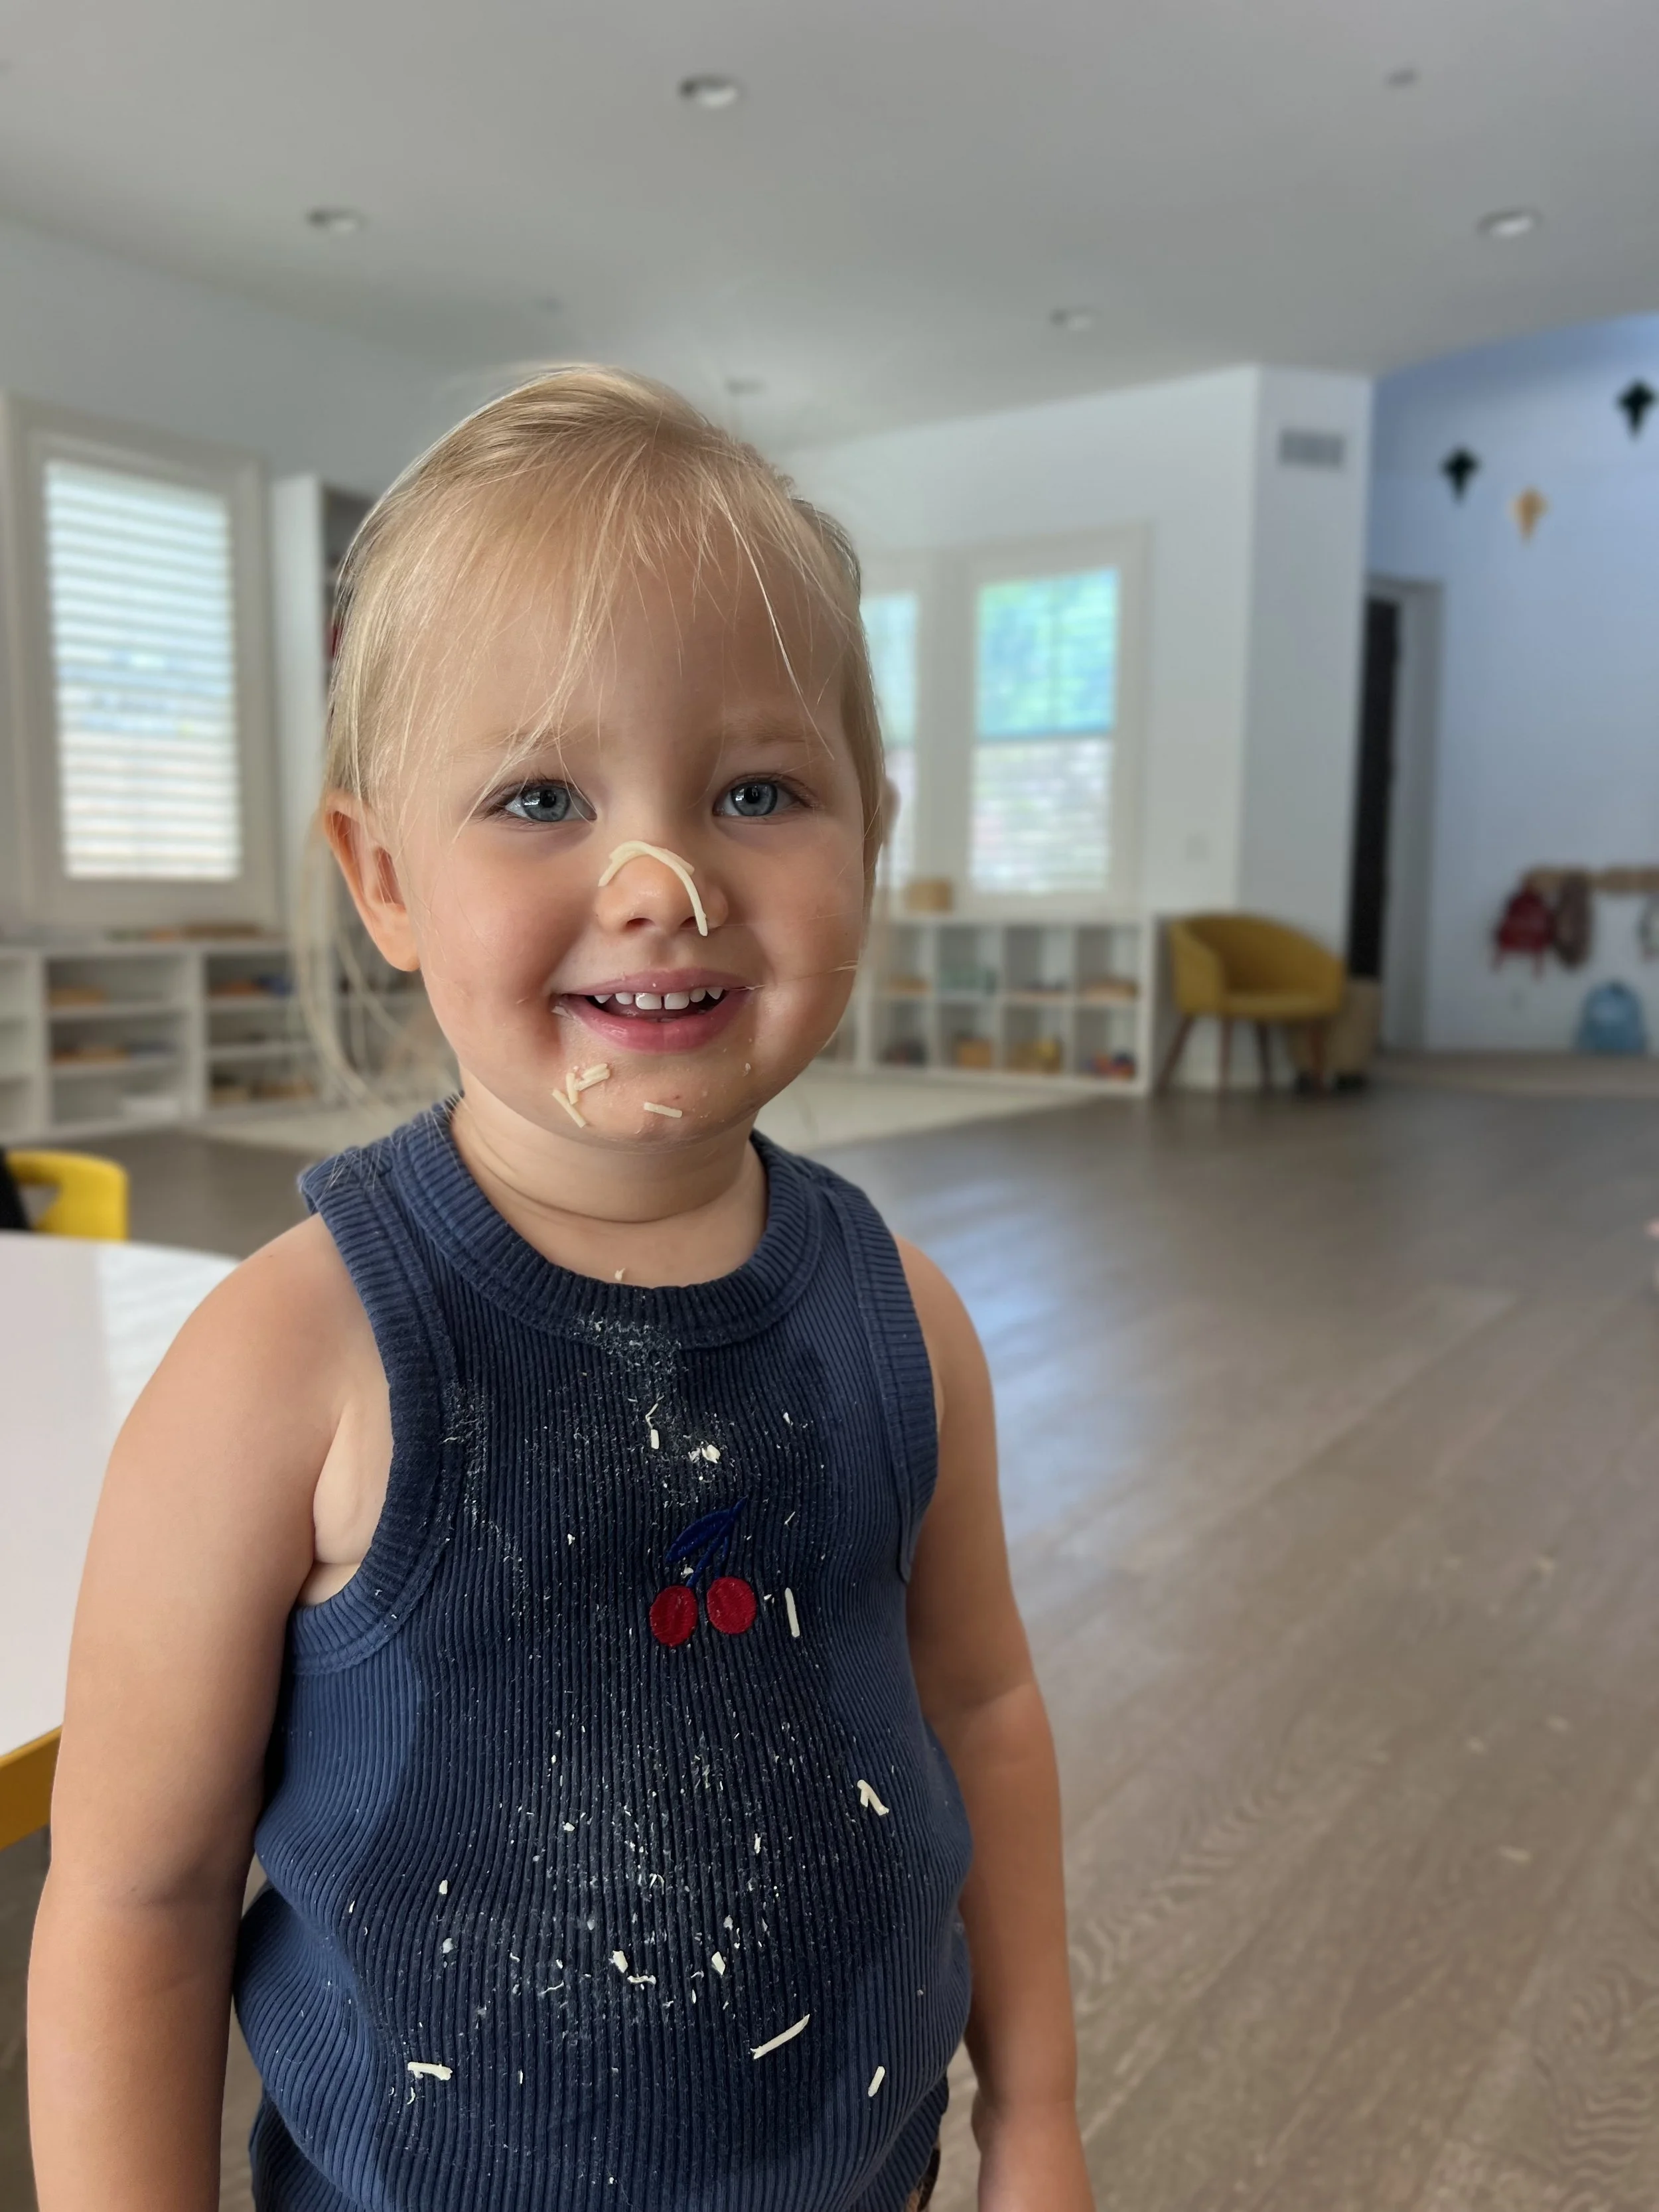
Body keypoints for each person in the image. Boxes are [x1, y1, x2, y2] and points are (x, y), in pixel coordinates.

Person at [28, 370, 1093, 2212]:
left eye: (758, 787)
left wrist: (1039, 2116)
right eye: (539, 793)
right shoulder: (287, 1362)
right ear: (383, 875)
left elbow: (980, 1708)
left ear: (871, 831)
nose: (659, 878)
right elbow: (138, 1891)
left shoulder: (901, 1317)